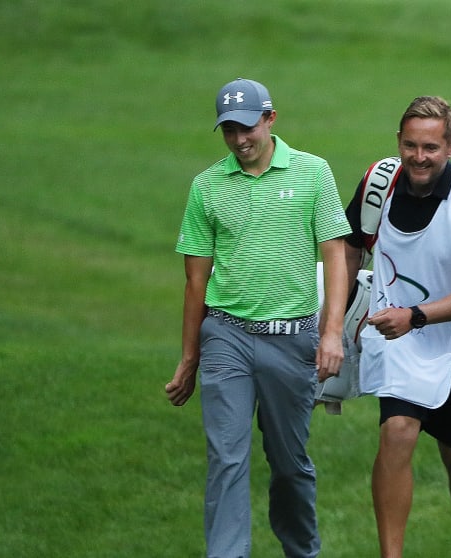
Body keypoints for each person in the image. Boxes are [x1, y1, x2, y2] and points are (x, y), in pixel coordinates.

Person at [165, 78, 351, 558]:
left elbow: (334, 256)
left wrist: (332, 333)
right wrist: (190, 357)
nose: (239, 139)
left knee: (289, 464)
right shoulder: (207, 186)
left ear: (270, 119)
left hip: (292, 341)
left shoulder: (312, 173)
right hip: (226, 336)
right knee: (226, 459)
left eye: (247, 127)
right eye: (229, 130)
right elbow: (196, 283)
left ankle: (301, 550)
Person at [344, 96, 451, 558]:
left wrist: (417, 316)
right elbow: (351, 246)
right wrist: (339, 314)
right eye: (410, 145)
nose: (419, 157)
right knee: (398, 430)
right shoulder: (379, 183)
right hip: (396, 331)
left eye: (431, 147)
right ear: (399, 142)